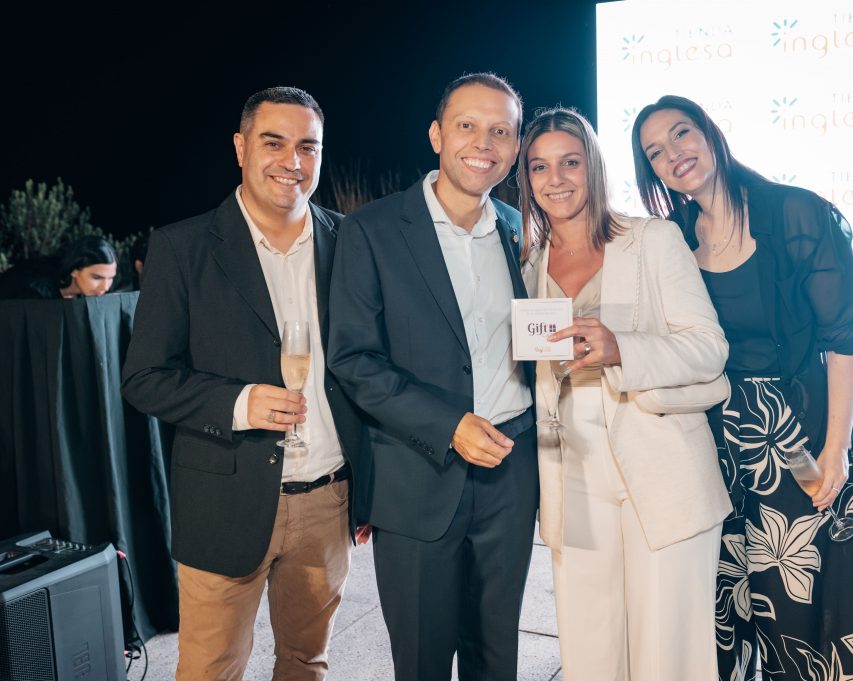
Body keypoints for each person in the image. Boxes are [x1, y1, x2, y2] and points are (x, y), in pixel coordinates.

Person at [121, 86, 364, 681]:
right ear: (240, 147)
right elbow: (144, 379)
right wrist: (239, 403)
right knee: (210, 670)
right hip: (223, 502)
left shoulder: (351, 243)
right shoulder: (182, 247)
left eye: (308, 146)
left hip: (327, 500)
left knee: (306, 663)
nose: (292, 161)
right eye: (273, 143)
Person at [632, 95, 853, 681]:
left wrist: (836, 447)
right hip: (710, 441)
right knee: (724, 604)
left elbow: (844, 341)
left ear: (709, 132)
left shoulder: (796, 214)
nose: (673, 154)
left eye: (681, 133)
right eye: (655, 152)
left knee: (801, 602)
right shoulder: (674, 238)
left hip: (795, 437)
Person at [327, 72, 536, 681]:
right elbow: (353, 359)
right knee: (421, 658)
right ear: (437, 135)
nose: (484, 143)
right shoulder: (370, 230)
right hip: (416, 473)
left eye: (500, 131)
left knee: (496, 653)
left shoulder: (521, 229)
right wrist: (449, 426)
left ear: (514, 147)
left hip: (512, 469)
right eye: (468, 125)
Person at [518, 107, 731, 680]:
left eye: (570, 162)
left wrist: (622, 349)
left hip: (661, 473)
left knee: (669, 658)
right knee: (591, 656)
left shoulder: (652, 240)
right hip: (572, 479)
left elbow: (709, 348)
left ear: (594, 166)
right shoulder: (528, 265)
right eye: (539, 166)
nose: (555, 179)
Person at [0, 235, 117, 299]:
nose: (105, 287)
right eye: (96, 277)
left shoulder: (86, 293)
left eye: (111, 278)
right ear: (75, 271)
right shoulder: (36, 292)